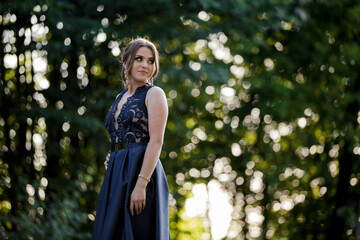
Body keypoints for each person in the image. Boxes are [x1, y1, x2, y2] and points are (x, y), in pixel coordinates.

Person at [92, 38, 170, 240]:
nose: (145, 65)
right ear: (126, 62)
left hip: (142, 174)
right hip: (117, 175)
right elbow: (122, 135)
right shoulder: (120, 97)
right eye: (139, 59)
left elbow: (156, 141)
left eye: (151, 61)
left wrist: (141, 184)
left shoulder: (154, 94)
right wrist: (116, 155)